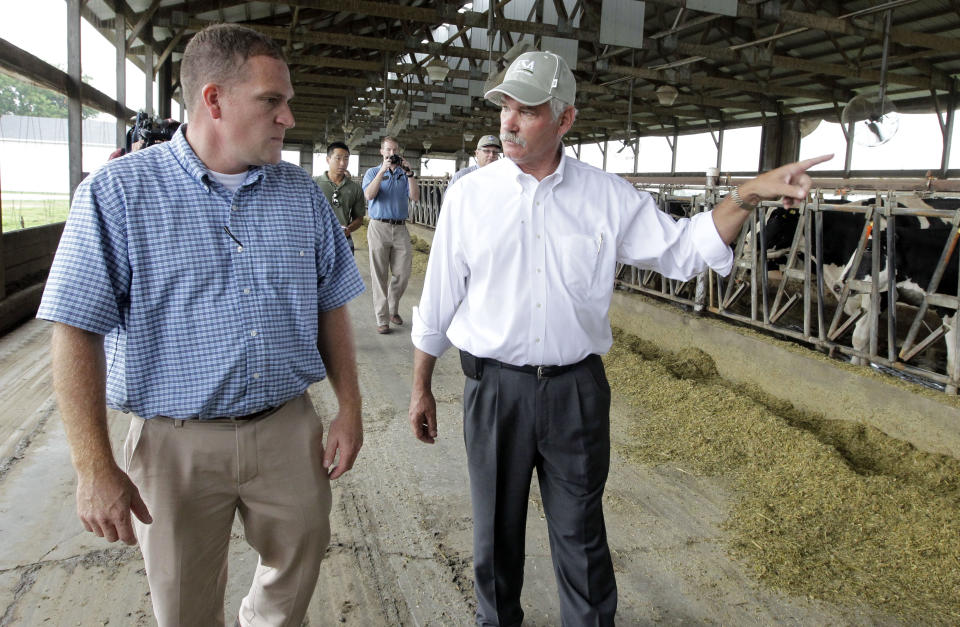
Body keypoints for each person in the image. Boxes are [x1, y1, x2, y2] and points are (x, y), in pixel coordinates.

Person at [407, 50, 831, 626]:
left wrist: (747, 194)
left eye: (527, 110)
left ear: (564, 120)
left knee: (581, 538)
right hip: (495, 390)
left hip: (575, 393)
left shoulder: (606, 195)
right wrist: (421, 384)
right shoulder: (468, 197)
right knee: (494, 538)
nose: (508, 121)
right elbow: (437, 300)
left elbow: (683, 251)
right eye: (505, 105)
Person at [37, 23, 365, 627]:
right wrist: (93, 466)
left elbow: (331, 303)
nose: (289, 117)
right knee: (183, 602)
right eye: (272, 100)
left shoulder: (301, 194)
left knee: (303, 551)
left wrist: (348, 406)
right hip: (174, 441)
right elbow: (75, 329)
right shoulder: (119, 193)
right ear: (213, 100)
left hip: (286, 428)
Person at [362, 136, 420, 334]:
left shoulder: (405, 174)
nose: (391, 153)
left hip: (400, 227)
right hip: (379, 226)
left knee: (403, 273)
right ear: (381, 151)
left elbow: (415, 197)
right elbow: (369, 195)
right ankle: (382, 318)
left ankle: (393, 308)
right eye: (388, 150)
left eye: (394, 149)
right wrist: (382, 171)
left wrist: (410, 173)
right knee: (379, 274)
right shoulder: (371, 172)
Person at [315, 141, 366, 254]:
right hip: (318, 239)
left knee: (346, 271)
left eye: (346, 159)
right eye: (338, 158)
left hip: (343, 239)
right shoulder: (314, 184)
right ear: (328, 160)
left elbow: (359, 218)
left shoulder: (355, 189)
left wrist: (349, 229)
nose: (342, 163)